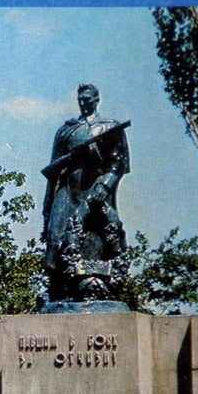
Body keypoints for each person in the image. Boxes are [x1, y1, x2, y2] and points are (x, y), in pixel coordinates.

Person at [42, 84, 130, 301]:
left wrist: (105, 185)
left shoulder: (110, 128)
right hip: (68, 190)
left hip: (94, 190)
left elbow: (118, 163)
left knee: (97, 241)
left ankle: (96, 288)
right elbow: (54, 169)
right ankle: (57, 290)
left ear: (97, 99)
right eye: (81, 99)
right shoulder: (67, 130)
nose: (84, 103)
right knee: (57, 236)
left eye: (88, 99)